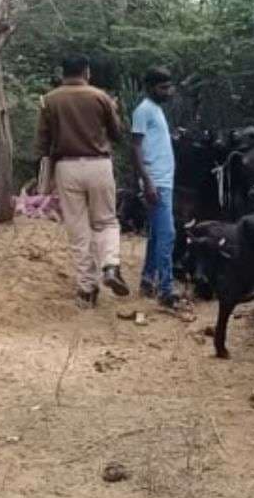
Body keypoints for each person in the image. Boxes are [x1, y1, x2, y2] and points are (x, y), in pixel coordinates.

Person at [35, 54, 130, 308]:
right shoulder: (100, 97)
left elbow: (42, 143)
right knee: (106, 221)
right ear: (86, 72)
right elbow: (117, 133)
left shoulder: (49, 100)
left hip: (66, 167)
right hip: (99, 165)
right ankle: (110, 265)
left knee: (78, 229)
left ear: (62, 72)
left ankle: (86, 289)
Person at [130, 66, 178, 307]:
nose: (168, 91)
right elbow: (136, 147)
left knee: (157, 234)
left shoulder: (156, 110)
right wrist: (147, 180)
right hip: (156, 181)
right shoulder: (144, 111)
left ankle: (148, 280)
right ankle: (166, 289)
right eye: (163, 87)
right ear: (149, 88)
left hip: (163, 179)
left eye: (169, 86)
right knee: (167, 234)